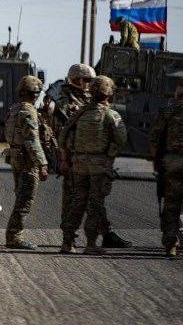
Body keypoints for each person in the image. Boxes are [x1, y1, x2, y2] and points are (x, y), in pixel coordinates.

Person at [53, 64, 131, 248]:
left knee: (87, 200)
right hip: (76, 159)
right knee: (80, 200)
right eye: (87, 80)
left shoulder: (85, 104)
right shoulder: (67, 102)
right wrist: (66, 159)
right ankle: (76, 238)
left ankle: (101, 234)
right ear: (78, 80)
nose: (89, 85)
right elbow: (64, 133)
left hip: (80, 159)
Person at [3, 75, 49, 250]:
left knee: (20, 196)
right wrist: (42, 163)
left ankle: (14, 236)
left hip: (16, 157)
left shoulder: (14, 110)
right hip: (27, 161)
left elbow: (8, 134)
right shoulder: (28, 111)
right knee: (24, 200)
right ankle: (14, 236)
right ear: (35, 94)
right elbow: (32, 140)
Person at [149, 78, 183, 257]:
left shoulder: (168, 110)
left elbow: (155, 138)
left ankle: (171, 244)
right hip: (173, 162)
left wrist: (156, 159)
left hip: (173, 162)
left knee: (172, 204)